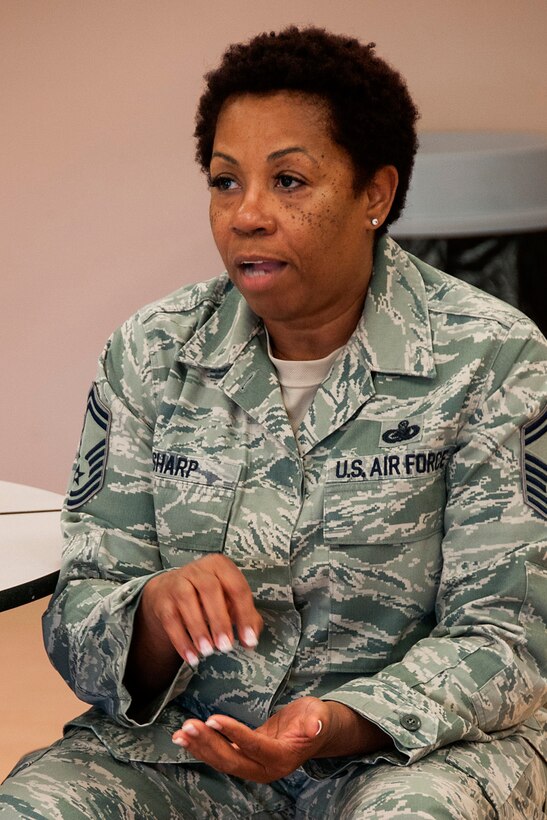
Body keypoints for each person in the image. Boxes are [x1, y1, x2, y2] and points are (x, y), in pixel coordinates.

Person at [1, 26, 545, 819]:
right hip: (190, 750)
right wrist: (150, 614)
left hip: (408, 751)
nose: (246, 214)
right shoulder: (150, 353)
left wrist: (328, 723)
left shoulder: (491, 358)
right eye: (225, 182)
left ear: (374, 194)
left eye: (288, 180)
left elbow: (507, 637)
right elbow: (81, 608)